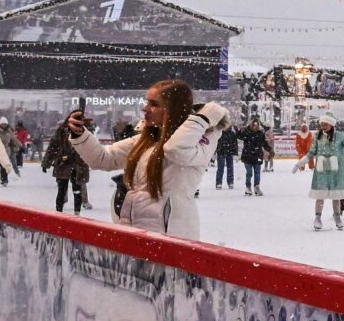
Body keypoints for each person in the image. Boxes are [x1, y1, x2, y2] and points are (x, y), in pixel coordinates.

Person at [64, 81, 229, 238]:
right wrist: (80, 134)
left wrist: (202, 118)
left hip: (172, 236)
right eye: (147, 102)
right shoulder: (145, 141)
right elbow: (102, 159)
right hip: (135, 233)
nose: (145, 108)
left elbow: (175, 149)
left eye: (154, 104)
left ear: (173, 109)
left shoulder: (198, 141)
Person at [293, 112, 344, 230]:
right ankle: (317, 218)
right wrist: (301, 162)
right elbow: (312, 152)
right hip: (322, 170)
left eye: (325, 124)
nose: (323, 126)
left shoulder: (340, 136)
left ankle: (337, 217)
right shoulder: (317, 136)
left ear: (332, 124)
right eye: (321, 124)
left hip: (336, 170)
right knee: (320, 194)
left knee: (336, 195)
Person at [41, 117, 92, 214]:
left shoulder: (83, 133)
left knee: (74, 190)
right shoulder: (62, 132)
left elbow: (52, 148)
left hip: (75, 165)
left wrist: (46, 163)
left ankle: (74, 212)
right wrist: (46, 163)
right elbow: (52, 148)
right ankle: (62, 212)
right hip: (67, 164)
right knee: (65, 190)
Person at [238, 118, 270, 195]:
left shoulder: (260, 133)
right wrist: (239, 130)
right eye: (254, 125)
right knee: (249, 173)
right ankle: (248, 187)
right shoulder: (247, 132)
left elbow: (264, 144)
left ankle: (256, 187)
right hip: (247, 156)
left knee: (257, 173)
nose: (256, 126)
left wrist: (270, 150)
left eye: (257, 125)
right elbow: (239, 136)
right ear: (251, 125)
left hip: (257, 156)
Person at [0, 116, 20, 186]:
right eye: (2, 124)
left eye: (5, 124)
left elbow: (14, 139)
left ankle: (4, 180)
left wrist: (20, 145)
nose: (4, 125)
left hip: (6, 151)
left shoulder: (9, 131)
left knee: (4, 165)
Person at [213, 124, 239, 190]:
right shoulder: (219, 133)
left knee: (230, 168)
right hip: (221, 152)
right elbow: (215, 143)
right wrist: (214, 152)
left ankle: (230, 182)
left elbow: (235, 144)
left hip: (229, 152)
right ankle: (219, 183)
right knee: (220, 168)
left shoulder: (232, 134)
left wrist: (235, 153)